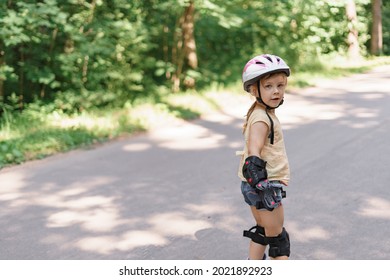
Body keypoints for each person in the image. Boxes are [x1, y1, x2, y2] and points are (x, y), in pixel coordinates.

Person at [237, 54, 291, 260]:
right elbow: (254, 149)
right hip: (263, 185)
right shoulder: (261, 117)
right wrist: (261, 179)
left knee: (262, 231)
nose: (276, 91)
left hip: (254, 185)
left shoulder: (259, 111)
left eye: (280, 85)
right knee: (278, 240)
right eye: (268, 86)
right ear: (254, 90)